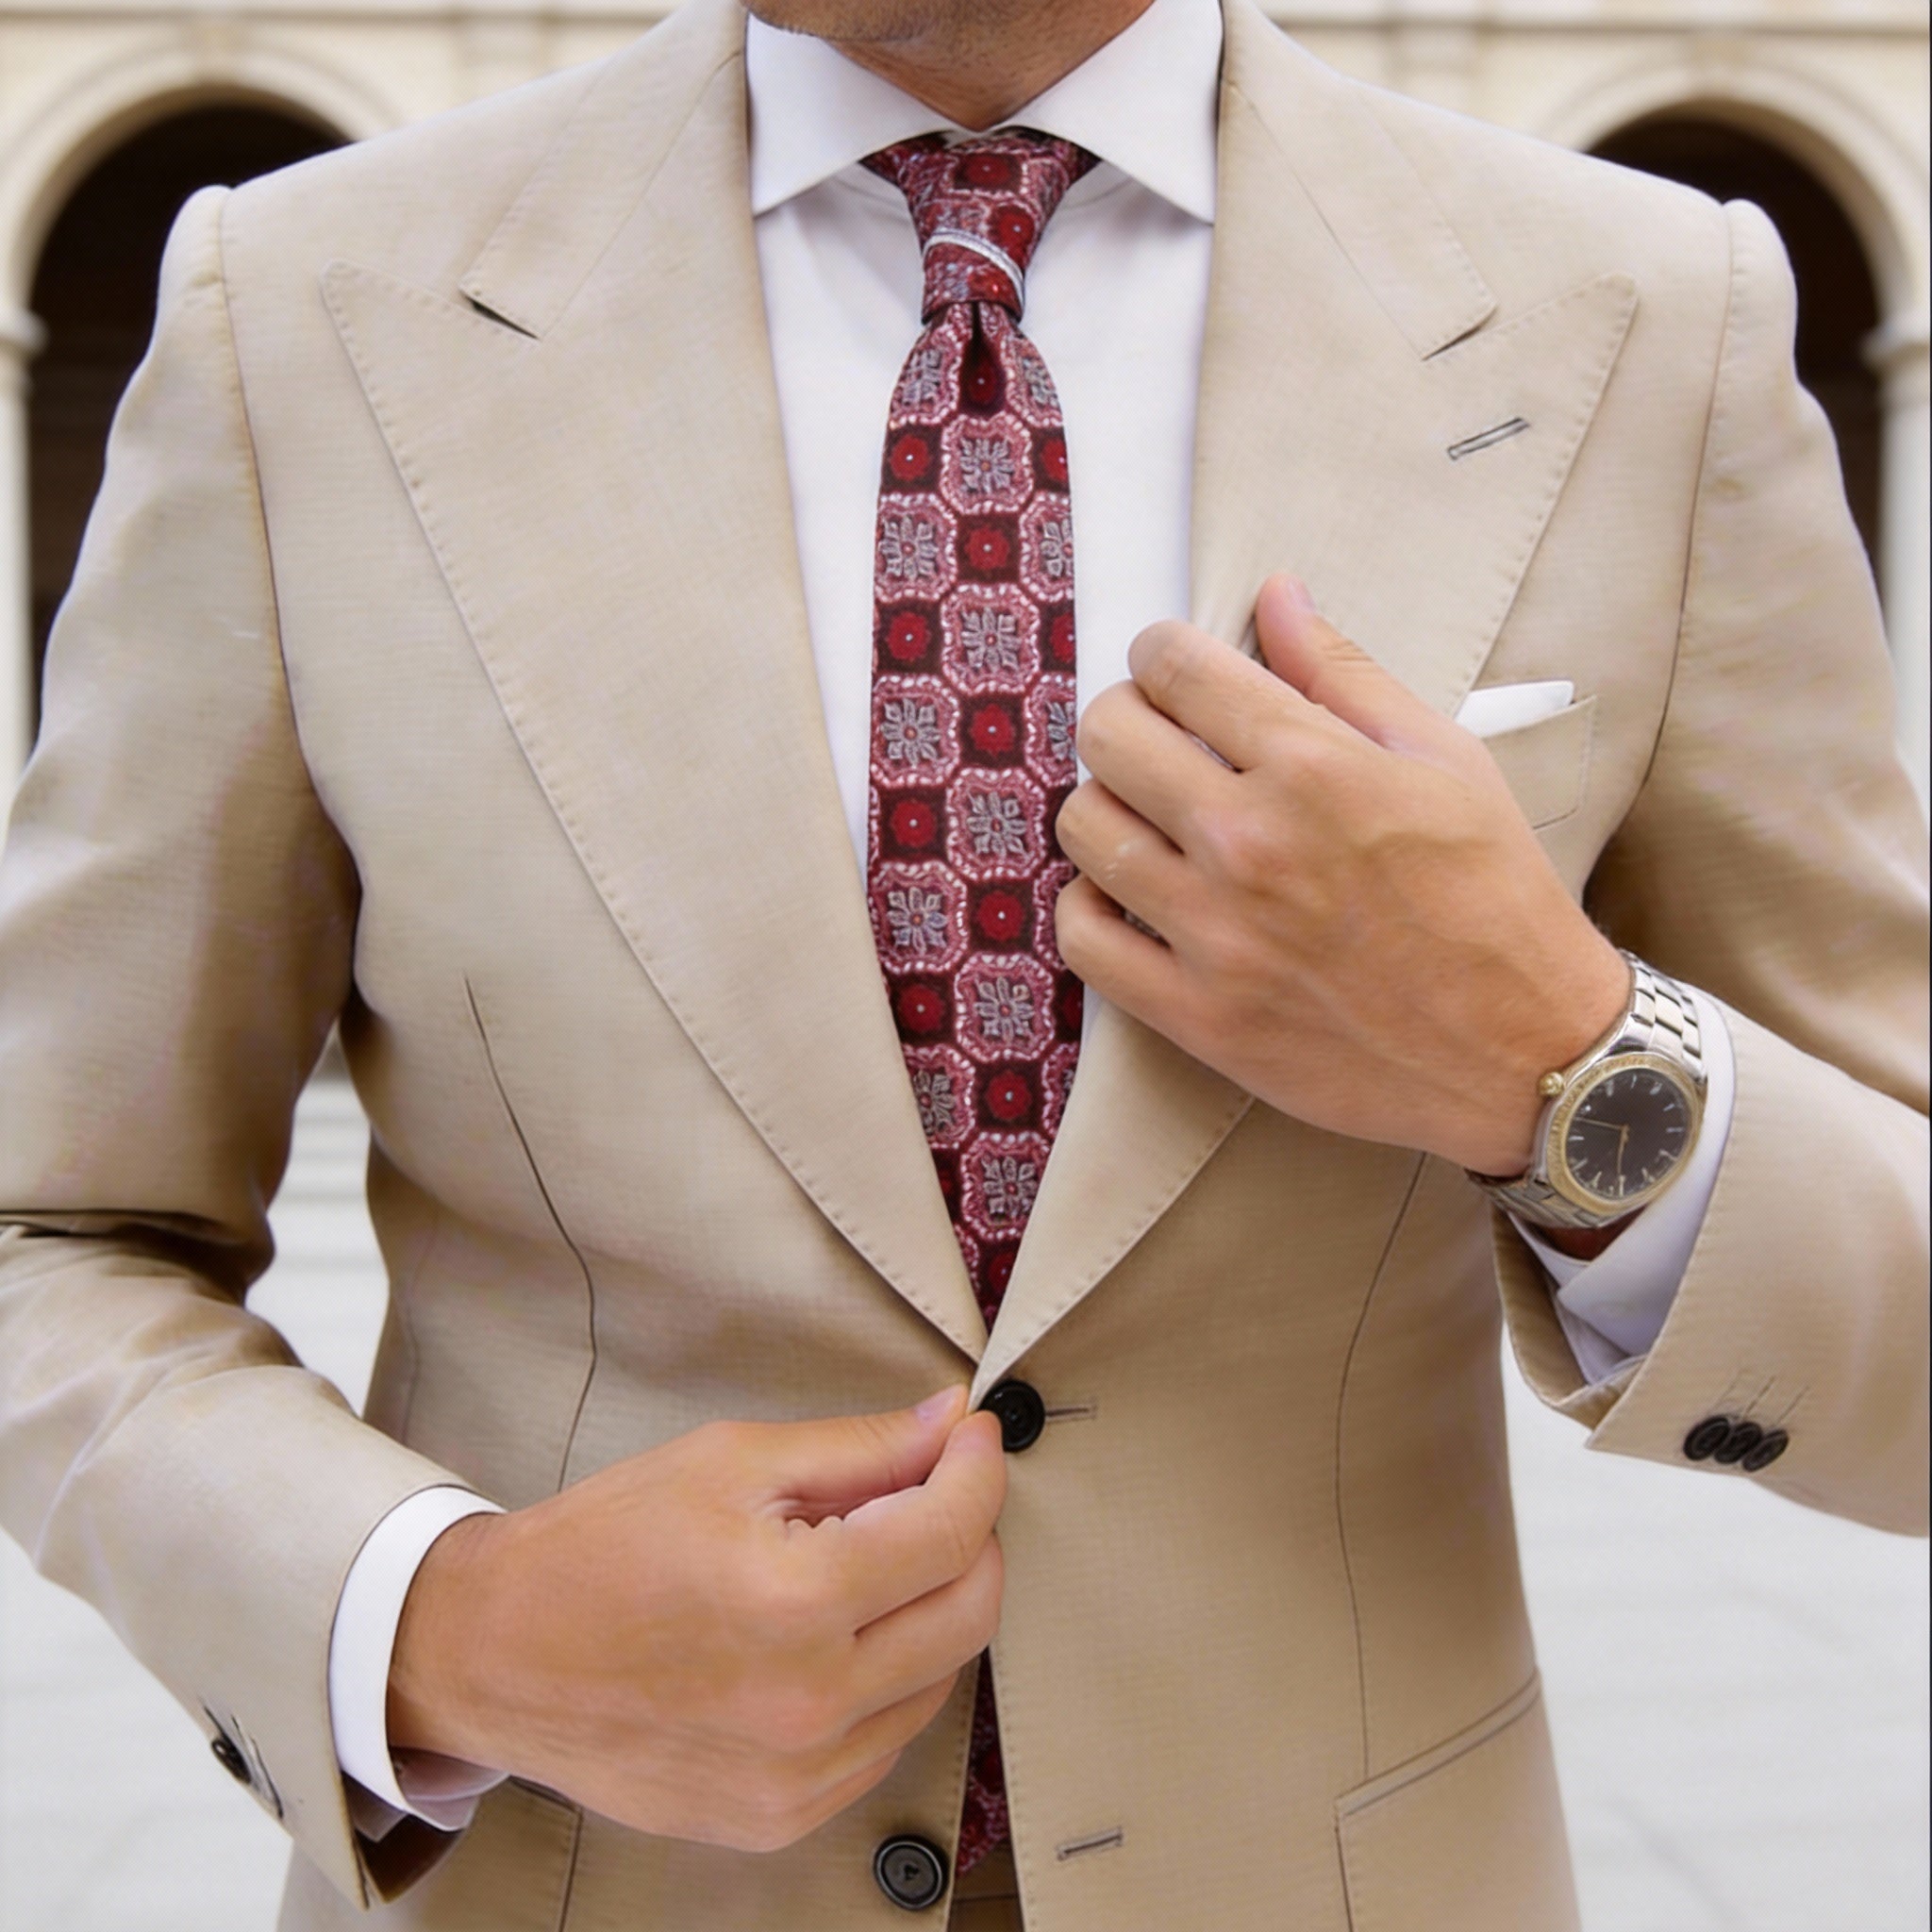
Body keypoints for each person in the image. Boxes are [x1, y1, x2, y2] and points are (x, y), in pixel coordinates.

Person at [0, 0, 1924, 1924]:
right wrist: (435, 1619)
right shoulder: (308, 304)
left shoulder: (1644, 313)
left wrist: (1563, 1065)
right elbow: (51, 1232)